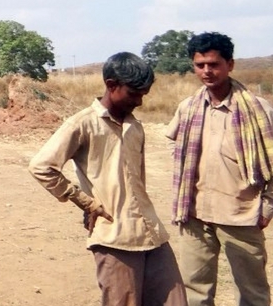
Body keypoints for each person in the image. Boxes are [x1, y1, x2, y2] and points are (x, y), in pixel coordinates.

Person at [30, 52, 187, 306]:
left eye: (143, 95)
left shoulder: (135, 126)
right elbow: (41, 166)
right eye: (134, 94)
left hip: (152, 234)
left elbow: (137, 182)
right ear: (112, 85)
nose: (139, 102)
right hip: (115, 238)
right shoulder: (82, 124)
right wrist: (86, 202)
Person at [166, 32, 273, 306]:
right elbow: (178, 154)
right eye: (200, 65)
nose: (207, 71)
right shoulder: (188, 108)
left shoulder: (259, 110)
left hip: (242, 216)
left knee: (253, 294)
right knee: (195, 294)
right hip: (195, 216)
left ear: (230, 64)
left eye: (213, 64)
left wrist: (268, 206)